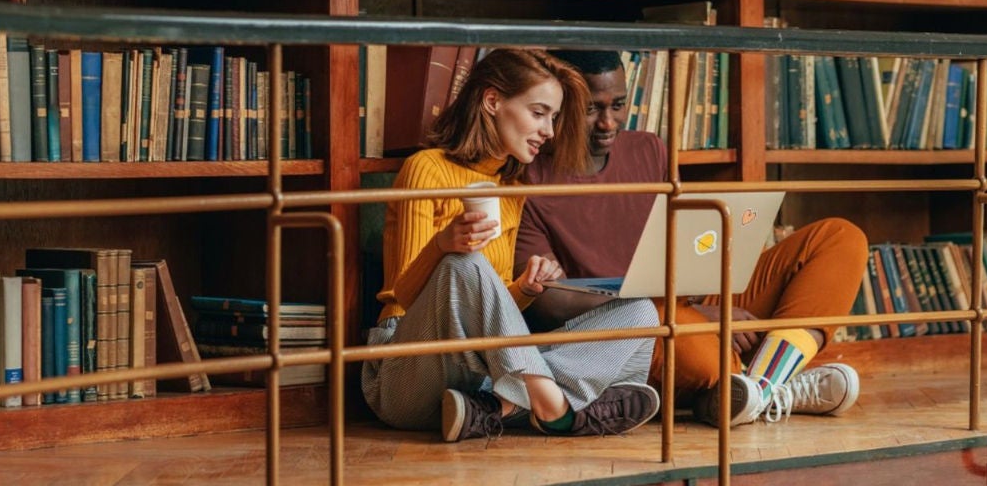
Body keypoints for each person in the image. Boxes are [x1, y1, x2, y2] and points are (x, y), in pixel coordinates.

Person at [515, 49, 869, 428]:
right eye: (590, 110)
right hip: (628, 323)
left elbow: (681, 244)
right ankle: (768, 384)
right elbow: (546, 303)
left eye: (618, 105)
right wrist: (687, 311)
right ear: (556, 107)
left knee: (839, 239)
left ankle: (757, 389)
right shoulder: (527, 177)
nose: (608, 122)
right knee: (700, 354)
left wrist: (703, 294)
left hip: (688, 300)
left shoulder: (647, 149)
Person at [362, 48, 662, 443]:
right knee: (463, 264)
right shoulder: (427, 168)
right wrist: (441, 245)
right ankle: (555, 408)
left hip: (478, 378)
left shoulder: (512, 189)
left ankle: (503, 408)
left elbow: (492, 310)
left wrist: (524, 289)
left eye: (553, 118)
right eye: (538, 114)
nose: (549, 131)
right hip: (407, 370)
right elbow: (401, 295)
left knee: (640, 312)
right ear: (492, 101)